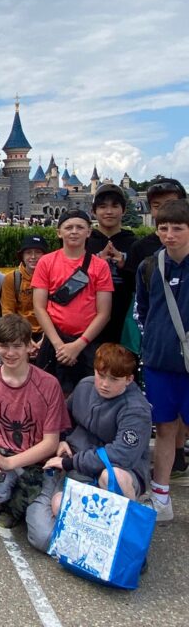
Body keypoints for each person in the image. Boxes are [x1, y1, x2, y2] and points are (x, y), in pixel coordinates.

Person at [28, 343, 152, 551]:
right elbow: (64, 417)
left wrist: (70, 462)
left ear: (129, 379)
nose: (104, 384)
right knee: (51, 522)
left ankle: (128, 539)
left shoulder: (136, 409)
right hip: (78, 470)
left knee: (113, 477)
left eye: (114, 379)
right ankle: (94, 542)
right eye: (101, 375)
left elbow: (122, 456)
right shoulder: (86, 385)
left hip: (117, 471)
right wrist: (63, 438)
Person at [0, 315, 71, 533]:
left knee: (43, 537)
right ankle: (15, 498)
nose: (10, 353)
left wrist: (9, 463)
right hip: (1, 454)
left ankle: (27, 503)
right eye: (3, 346)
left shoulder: (49, 385)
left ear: (29, 346)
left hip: (37, 463)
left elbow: (51, 442)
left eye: (17, 346)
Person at [135, 198, 189, 522]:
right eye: (163, 228)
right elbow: (142, 311)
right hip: (160, 363)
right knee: (165, 429)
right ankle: (161, 498)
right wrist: (153, 341)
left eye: (178, 228)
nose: (169, 234)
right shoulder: (150, 266)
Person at [33, 210, 114, 394]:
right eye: (68, 227)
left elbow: (104, 313)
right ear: (59, 232)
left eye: (80, 227)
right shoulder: (46, 262)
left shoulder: (99, 266)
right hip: (54, 342)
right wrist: (58, 345)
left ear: (89, 232)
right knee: (50, 397)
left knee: (87, 397)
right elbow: (39, 307)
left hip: (86, 342)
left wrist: (79, 345)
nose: (74, 231)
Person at [86, 184, 136, 345]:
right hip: (89, 320)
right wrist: (97, 263)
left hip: (125, 320)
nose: (109, 212)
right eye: (102, 207)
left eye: (115, 206)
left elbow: (142, 285)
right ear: (94, 211)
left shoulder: (134, 244)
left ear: (123, 210)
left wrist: (124, 263)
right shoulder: (84, 244)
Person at [0, 234, 49, 355]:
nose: (33, 257)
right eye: (28, 252)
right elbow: (8, 312)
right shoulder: (12, 278)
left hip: (48, 332)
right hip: (19, 332)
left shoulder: (53, 277)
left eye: (38, 252)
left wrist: (48, 337)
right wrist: (24, 339)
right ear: (22, 255)